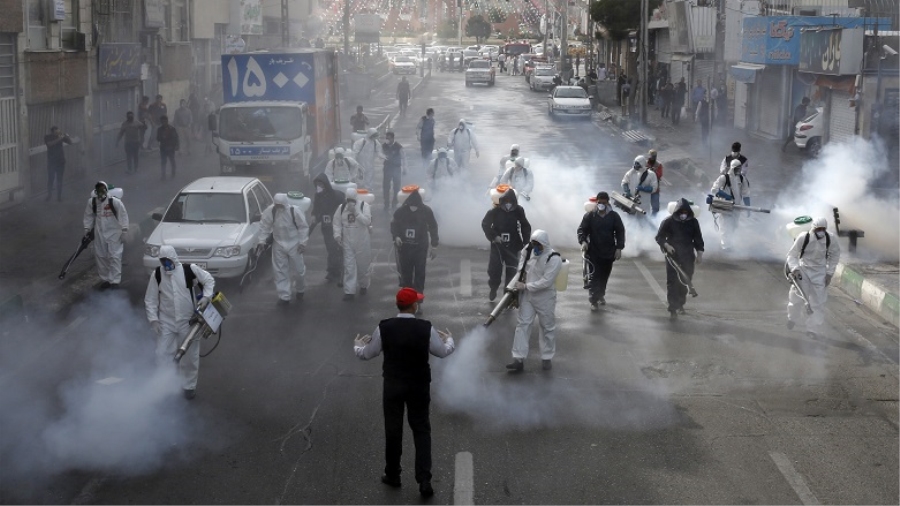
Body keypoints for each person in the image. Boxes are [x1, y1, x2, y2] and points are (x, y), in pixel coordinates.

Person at [353, 287, 455, 498]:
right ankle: (424, 479)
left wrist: (357, 346)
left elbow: (367, 354)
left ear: (397, 305)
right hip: (418, 385)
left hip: (393, 385)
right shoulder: (425, 327)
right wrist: (449, 340)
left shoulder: (384, 327)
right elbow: (443, 352)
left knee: (393, 430)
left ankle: (393, 474)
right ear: (415, 306)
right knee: (421, 430)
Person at [145, 244, 215, 400]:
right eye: (163, 261)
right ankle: (164, 385)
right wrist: (154, 320)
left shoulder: (189, 270)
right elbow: (150, 300)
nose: (166, 264)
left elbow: (209, 280)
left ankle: (188, 386)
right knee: (162, 353)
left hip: (188, 321)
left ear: (174, 258)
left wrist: (206, 297)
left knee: (189, 356)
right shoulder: (157, 275)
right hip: (166, 321)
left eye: (168, 260)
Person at [506, 230, 563, 373]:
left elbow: (546, 282)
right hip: (528, 296)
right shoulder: (528, 249)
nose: (536, 248)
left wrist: (526, 286)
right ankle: (518, 359)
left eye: (539, 246)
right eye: (534, 244)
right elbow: (521, 267)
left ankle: (546, 357)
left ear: (545, 244)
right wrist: (517, 286)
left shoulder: (553, 258)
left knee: (547, 327)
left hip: (545, 298)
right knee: (523, 325)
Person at [786, 217, 841, 338]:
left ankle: (812, 329)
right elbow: (792, 255)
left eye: (823, 229)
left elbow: (835, 255)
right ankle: (792, 318)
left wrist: (829, 274)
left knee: (818, 303)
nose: (820, 231)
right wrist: (795, 269)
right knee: (797, 298)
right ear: (813, 229)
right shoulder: (803, 237)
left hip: (820, 273)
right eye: (818, 229)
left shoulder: (830, 239)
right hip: (803, 270)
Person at [655, 198, 704, 320]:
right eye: (681, 212)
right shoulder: (668, 222)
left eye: (685, 212)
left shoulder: (693, 222)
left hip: (687, 255)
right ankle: (673, 308)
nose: (683, 214)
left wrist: (699, 254)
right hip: (673, 256)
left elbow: (698, 238)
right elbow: (659, 237)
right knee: (672, 282)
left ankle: (681, 303)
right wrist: (667, 245)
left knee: (685, 281)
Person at [258, 193, 309, 305]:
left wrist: (302, 243)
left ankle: (300, 289)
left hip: (294, 244)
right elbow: (264, 225)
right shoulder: (271, 211)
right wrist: (261, 240)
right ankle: (284, 296)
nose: (279, 207)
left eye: (280, 205)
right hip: (278, 244)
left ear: (285, 203)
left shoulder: (294, 211)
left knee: (299, 269)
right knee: (280, 270)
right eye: (277, 205)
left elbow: (303, 227)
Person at [577, 192, 625, 310]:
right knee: (594, 275)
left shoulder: (614, 216)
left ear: (608, 202)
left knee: (604, 275)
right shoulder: (590, 216)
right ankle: (593, 299)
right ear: (596, 202)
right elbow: (582, 230)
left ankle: (600, 294)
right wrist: (583, 241)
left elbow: (620, 232)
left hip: (608, 252)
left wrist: (619, 248)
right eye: (599, 203)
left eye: (604, 203)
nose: (601, 205)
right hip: (594, 251)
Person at [482, 188, 531, 302]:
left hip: (513, 245)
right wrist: (494, 236)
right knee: (495, 270)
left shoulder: (519, 210)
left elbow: (525, 226)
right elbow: (485, 224)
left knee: (512, 271)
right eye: (506, 201)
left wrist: (526, 243)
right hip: (498, 246)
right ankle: (493, 288)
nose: (508, 204)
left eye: (511, 201)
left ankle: (507, 296)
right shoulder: (494, 211)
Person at [391, 191, 439, 296]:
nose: (413, 208)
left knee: (420, 274)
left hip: (420, 248)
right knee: (406, 274)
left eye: (416, 207)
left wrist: (434, 246)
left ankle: (418, 299)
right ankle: (408, 299)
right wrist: (396, 237)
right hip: (405, 248)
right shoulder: (401, 211)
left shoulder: (426, 211)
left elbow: (433, 227)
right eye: (412, 206)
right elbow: (394, 225)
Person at [83, 181, 129, 288]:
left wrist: (124, 231)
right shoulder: (92, 202)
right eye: (99, 191)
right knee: (100, 256)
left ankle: (115, 281)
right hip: (100, 233)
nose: (101, 194)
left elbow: (123, 216)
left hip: (114, 233)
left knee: (115, 256)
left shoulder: (115, 202)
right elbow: (88, 216)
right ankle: (106, 280)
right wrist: (87, 228)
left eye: (102, 191)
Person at [334, 188, 372, 300]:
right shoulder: (341, 208)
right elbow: (336, 223)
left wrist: (356, 212)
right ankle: (349, 291)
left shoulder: (364, 206)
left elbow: (367, 221)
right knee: (349, 266)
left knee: (362, 265)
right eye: (348, 199)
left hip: (362, 241)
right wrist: (337, 235)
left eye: (352, 199)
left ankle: (363, 285)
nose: (350, 202)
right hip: (348, 241)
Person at [311, 173, 345, 285]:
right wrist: (314, 215)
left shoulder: (335, 195)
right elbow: (316, 209)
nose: (318, 186)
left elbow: (343, 207)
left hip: (336, 225)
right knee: (331, 248)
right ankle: (334, 270)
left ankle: (337, 270)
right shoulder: (318, 196)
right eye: (317, 184)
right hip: (326, 227)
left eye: (320, 184)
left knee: (337, 248)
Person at [710, 159, 751, 250]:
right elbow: (714, 189)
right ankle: (725, 245)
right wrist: (726, 196)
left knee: (734, 225)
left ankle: (729, 242)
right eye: (736, 168)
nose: (738, 170)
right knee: (725, 225)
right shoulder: (724, 178)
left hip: (737, 206)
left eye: (739, 168)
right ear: (732, 168)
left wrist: (748, 207)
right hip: (725, 205)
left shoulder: (742, 179)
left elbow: (746, 193)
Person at [44, 126, 71, 202]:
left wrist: (67, 136)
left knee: (60, 180)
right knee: (50, 179)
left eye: (59, 131)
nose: (58, 132)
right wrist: (60, 138)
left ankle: (59, 197)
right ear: (53, 131)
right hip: (51, 162)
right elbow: (50, 144)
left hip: (60, 162)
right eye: (57, 131)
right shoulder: (47, 137)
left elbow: (70, 142)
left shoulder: (60, 136)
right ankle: (49, 195)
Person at [381, 131, 406, 211]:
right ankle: (386, 203)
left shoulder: (398, 147)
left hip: (396, 168)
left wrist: (405, 168)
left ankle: (394, 203)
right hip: (387, 168)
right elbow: (380, 155)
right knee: (386, 187)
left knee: (396, 187)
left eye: (388, 138)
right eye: (386, 138)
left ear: (392, 138)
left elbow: (404, 158)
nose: (387, 140)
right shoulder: (384, 146)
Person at [156, 115, 179, 181]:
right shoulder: (159, 129)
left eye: (164, 121)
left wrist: (177, 145)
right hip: (163, 147)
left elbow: (176, 138)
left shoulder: (172, 129)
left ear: (167, 121)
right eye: (162, 121)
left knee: (172, 161)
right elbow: (158, 138)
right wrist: (162, 137)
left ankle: (173, 173)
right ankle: (163, 175)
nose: (163, 123)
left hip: (170, 147)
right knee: (163, 162)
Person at [646, 149, 664, 215]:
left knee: (655, 208)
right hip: (644, 188)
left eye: (654, 156)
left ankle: (654, 220)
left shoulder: (658, 165)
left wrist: (654, 171)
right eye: (652, 156)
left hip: (655, 189)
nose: (653, 157)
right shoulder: (645, 164)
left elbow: (659, 175)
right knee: (644, 206)